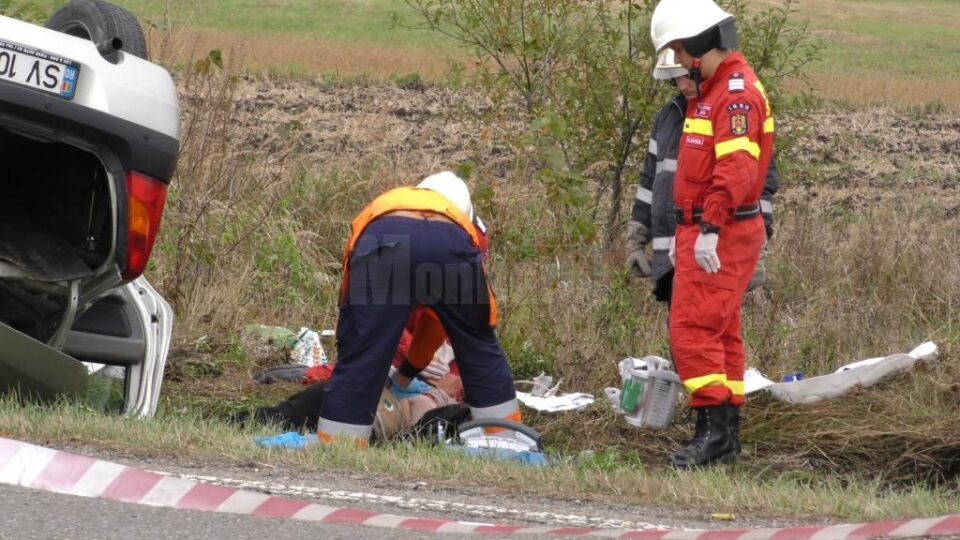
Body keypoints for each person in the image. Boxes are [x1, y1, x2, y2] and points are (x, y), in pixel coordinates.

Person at [648, 0, 775, 468]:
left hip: (720, 228)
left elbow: (737, 169)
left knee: (693, 330)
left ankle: (712, 433)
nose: (679, 64)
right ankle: (726, 435)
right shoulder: (713, 92)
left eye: (680, 53)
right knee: (721, 332)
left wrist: (708, 229)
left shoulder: (735, 96)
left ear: (700, 44)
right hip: (706, 227)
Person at [316, 171, 520, 445]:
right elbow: (443, 324)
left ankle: (338, 443)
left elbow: (356, 315)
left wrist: (399, 373)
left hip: (383, 235)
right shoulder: (465, 226)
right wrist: (407, 374)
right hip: (449, 242)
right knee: (478, 345)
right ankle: (506, 442)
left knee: (363, 349)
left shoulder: (394, 201)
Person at [625, 49, 778, 304]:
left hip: (715, 259)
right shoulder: (667, 117)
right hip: (670, 260)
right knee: (684, 338)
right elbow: (649, 183)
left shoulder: (730, 113)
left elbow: (757, 187)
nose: (682, 85)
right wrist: (636, 241)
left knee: (703, 337)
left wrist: (757, 249)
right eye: (675, 79)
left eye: (685, 75)